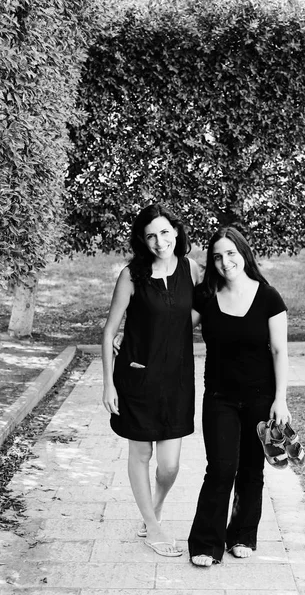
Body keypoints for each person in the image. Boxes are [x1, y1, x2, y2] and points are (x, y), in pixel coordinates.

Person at [188, 226, 291, 566]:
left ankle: (243, 535)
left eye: (230, 253)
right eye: (217, 256)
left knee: (250, 470)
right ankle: (205, 543)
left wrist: (281, 400)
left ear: (243, 253)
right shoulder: (205, 297)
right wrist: (127, 335)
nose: (224, 261)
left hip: (261, 398)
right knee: (220, 469)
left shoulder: (269, 297)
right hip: (219, 397)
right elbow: (170, 326)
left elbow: (279, 351)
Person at [102, 203, 200, 557]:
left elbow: (202, 313)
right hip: (137, 376)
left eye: (164, 232)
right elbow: (109, 330)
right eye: (150, 236)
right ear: (142, 242)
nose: (159, 242)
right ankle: (154, 527)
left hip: (177, 379)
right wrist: (108, 385)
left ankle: (153, 509)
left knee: (170, 464)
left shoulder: (193, 269)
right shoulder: (132, 275)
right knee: (141, 451)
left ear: (175, 231)